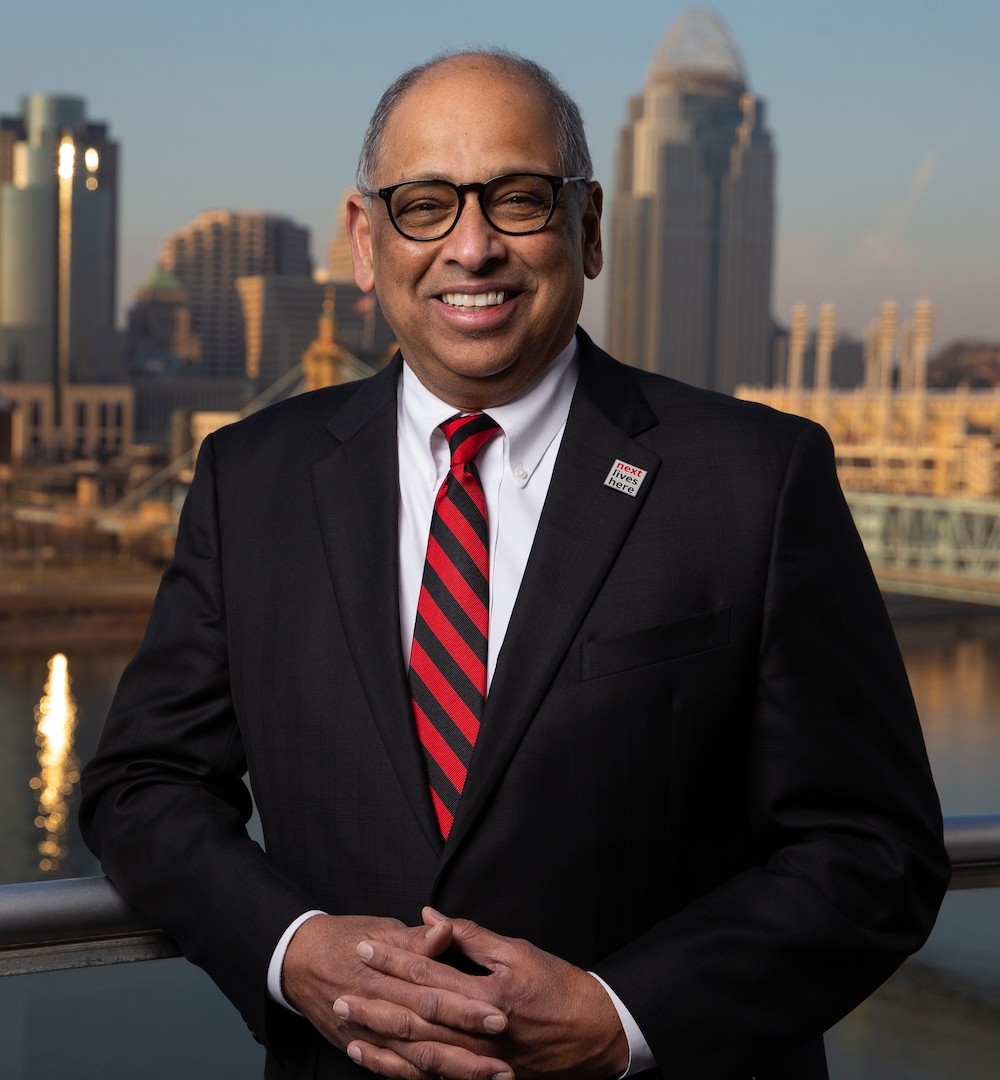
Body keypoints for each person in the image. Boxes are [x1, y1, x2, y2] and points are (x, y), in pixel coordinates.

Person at [79, 50, 949, 1080]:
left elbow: (873, 849)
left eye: (519, 200)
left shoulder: (755, 480)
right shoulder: (249, 478)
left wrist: (618, 1019)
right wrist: (292, 949)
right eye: (426, 207)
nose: (473, 247)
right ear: (365, 241)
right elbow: (143, 785)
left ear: (584, 228)